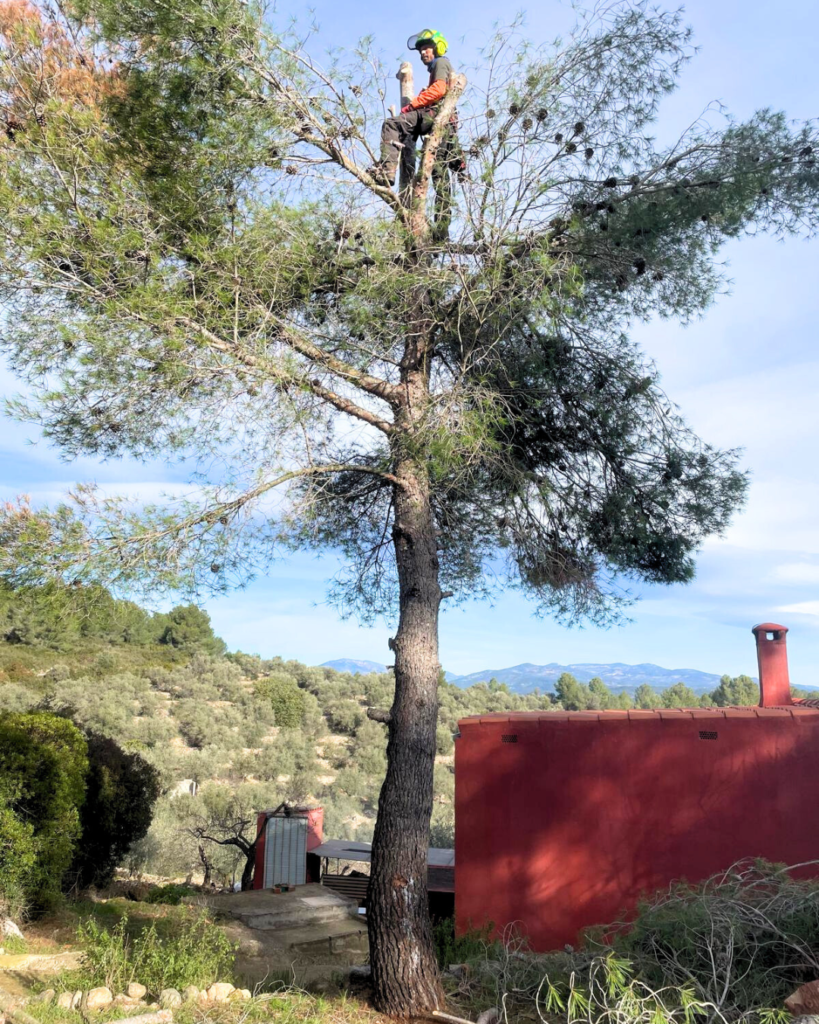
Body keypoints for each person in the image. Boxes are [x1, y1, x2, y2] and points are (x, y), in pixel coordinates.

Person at [370, 29, 465, 204]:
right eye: (420, 50)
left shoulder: (441, 63)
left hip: (434, 114)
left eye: (427, 48)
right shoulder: (440, 66)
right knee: (439, 172)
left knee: (392, 124)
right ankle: (442, 227)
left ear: (437, 48)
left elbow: (439, 90)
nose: (422, 52)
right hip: (443, 123)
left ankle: (386, 171)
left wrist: (412, 105)